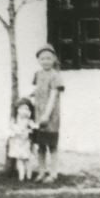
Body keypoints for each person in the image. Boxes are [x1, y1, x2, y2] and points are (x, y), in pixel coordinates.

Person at [32, 45, 65, 183]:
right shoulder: (37, 75)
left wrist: (46, 115)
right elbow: (34, 91)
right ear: (38, 60)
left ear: (54, 59)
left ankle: (53, 173)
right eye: (42, 58)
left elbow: (53, 97)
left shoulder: (55, 76)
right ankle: (41, 172)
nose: (45, 61)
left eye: (48, 58)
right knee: (40, 145)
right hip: (38, 114)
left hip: (51, 116)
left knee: (52, 145)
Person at [8, 98, 38, 181]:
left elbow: (33, 125)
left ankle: (29, 176)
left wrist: (34, 128)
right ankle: (21, 176)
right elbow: (11, 126)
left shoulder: (28, 120)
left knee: (26, 158)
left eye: (26, 109)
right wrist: (17, 130)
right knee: (19, 159)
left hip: (25, 141)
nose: (23, 111)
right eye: (21, 108)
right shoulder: (15, 119)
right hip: (17, 141)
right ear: (17, 109)